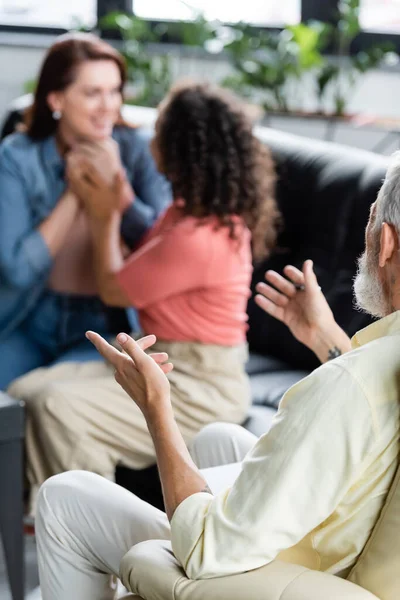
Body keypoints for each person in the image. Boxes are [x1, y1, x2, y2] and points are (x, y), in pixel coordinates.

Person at [33, 149, 400, 599]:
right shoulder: (376, 366)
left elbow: (208, 549)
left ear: (385, 241)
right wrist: (328, 340)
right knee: (217, 439)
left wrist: (157, 407)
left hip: (275, 573)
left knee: (63, 496)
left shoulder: (345, 386)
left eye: (368, 221)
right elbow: (368, 412)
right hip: (322, 548)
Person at [9, 81, 278, 513]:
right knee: (26, 389)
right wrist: (114, 190)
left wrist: (101, 214)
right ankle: (43, 511)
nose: (148, 138)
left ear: (178, 148)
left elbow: (115, 286)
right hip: (162, 360)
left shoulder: (199, 236)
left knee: (60, 408)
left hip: (199, 384)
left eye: (159, 132)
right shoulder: (187, 212)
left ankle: (88, 533)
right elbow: (141, 238)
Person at [0, 32, 171, 390]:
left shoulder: (140, 150)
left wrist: (119, 190)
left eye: (114, 90)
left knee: (47, 399)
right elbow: (15, 270)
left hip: (104, 327)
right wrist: (75, 194)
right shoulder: (17, 156)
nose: (108, 105)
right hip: (30, 318)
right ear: (56, 99)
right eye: (93, 93)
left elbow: (163, 247)